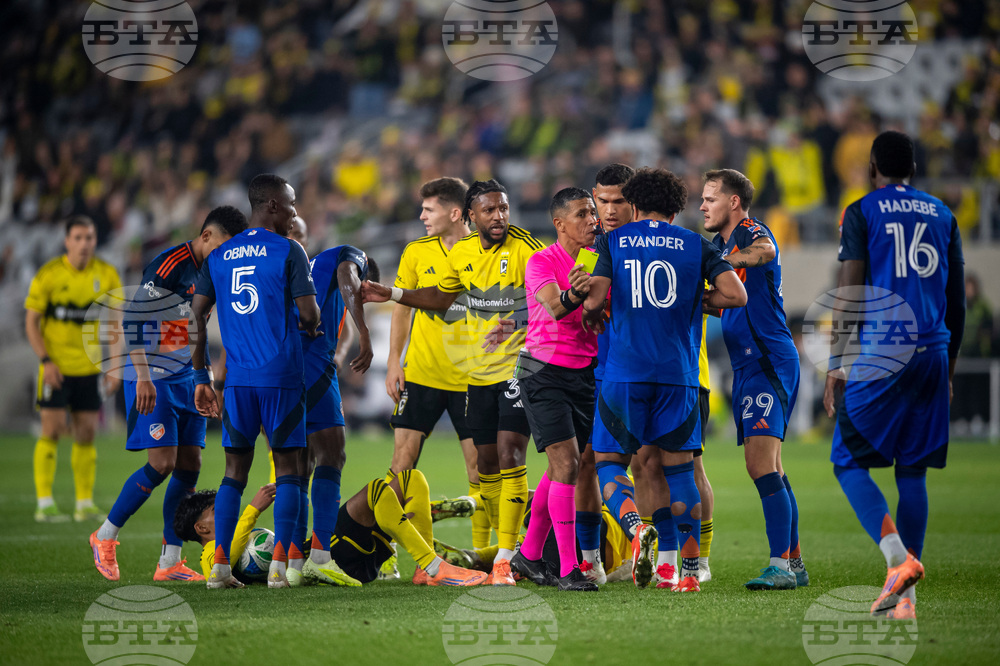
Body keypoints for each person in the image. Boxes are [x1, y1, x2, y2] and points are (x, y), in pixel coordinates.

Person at [362, 179, 544, 586]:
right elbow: (431, 301)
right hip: (446, 373)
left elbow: (546, 294)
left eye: (504, 209)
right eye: (491, 210)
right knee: (438, 465)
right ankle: (405, 551)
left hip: (499, 371)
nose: (499, 217)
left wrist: (516, 320)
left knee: (498, 460)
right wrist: (392, 304)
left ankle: (496, 555)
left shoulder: (524, 246)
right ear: (474, 214)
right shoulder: (439, 253)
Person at [583, 167, 746, 592]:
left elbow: (596, 299)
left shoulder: (613, 242)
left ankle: (637, 529)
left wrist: (590, 310)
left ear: (634, 205)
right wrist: (698, 300)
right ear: (678, 207)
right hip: (679, 376)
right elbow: (736, 295)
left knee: (610, 463)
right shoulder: (696, 245)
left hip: (625, 375)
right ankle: (688, 572)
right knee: (680, 473)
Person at [824, 131, 965, 620]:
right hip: (933, 351)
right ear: (915, 170)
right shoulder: (944, 214)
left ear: (872, 167)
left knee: (846, 461)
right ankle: (905, 601)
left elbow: (851, 289)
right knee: (913, 470)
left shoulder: (862, 211)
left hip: (885, 350)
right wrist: (948, 365)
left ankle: (897, 560)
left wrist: (837, 364)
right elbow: (957, 299)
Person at [88, 206, 248, 582]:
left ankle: (169, 562)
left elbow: (201, 328)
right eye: (223, 246)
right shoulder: (170, 263)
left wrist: (204, 378)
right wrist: (142, 377)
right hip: (153, 374)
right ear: (206, 235)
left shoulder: (216, 270)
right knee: (162, 463)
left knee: (190, 464)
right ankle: (105, 536)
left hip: (187, 376)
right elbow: (134, 320)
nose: (226, 255)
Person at [191, 173, 321, 589]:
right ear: (270, 206)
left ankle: (220, 568)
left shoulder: (218, 257)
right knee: (290, 471)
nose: (295, 212)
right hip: (281, 377)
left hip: (238, 383)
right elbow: (309, 315)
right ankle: (281, 569)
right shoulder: (289, 250)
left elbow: (195, 317)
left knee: (233, 472)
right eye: (291, 204)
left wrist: (201, 376)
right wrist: (312, 325)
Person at [701, 168, 808, 591]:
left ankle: (780, 565)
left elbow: (765, 250)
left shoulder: (750, 230)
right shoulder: (718, 245)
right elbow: (724, 302)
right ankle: (793, 563)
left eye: (710, 198)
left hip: (768, 359)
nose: (703, 205)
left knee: (760, 463)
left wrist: (724, 261)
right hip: (747, 364)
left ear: (732, 201)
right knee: (773, 468)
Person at [385, 178, 490, 554]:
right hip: (422, 374)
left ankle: (480, 552)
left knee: (479, 470)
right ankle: (388, 553)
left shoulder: (486, 251)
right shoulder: (416, 252)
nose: (421, 216)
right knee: (401, 463)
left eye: (428, 210)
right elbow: (402, 308)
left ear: (455, 212)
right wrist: (394, 362)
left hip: (471, 378)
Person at [508, 187, 600, 592]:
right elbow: (555, 306)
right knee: (566, 467)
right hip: (542, 371)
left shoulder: (598, 259)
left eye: (593, 213)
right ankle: (567, 569)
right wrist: (579, 292)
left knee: (566, 466)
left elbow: (597, 316)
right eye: (582, 214)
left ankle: (528, 555)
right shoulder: (541, 261)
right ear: (560, 224)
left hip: (584, 372)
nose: (592, 220)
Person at [174, 471, 486, 587]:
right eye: (217, 511)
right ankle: (433, 563)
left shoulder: (232, 538)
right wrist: (253, 510)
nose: (229, 511)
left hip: (341, 551)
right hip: (333, 558)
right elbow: (220, 563)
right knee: (377, 490)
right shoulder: (208, 557)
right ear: (201, 528)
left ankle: (436, 562)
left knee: (411, 479)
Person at [293, 214, 380, 587]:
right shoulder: (350, 257)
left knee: (297, 465)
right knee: (333, 455)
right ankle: (320, 557)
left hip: (285, 369)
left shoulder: (312, 269)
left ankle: (291, 564)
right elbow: (350, 276)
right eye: (368, 291)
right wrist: (364, 332)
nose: (364, 298)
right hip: (312, 370)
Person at [25, 216, 122, 523]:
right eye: (78, 238)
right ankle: (44, 502)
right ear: (67, 241)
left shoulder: (106, 274)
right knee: (51, 430)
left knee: (86, 434)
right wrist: (45, 361)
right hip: (55, 367)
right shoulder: (50, 274)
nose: (84, 244)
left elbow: (115, 323)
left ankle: (84, 503)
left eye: (89, 238)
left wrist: (115, 365)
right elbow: (31, 321)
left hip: (89, 368)